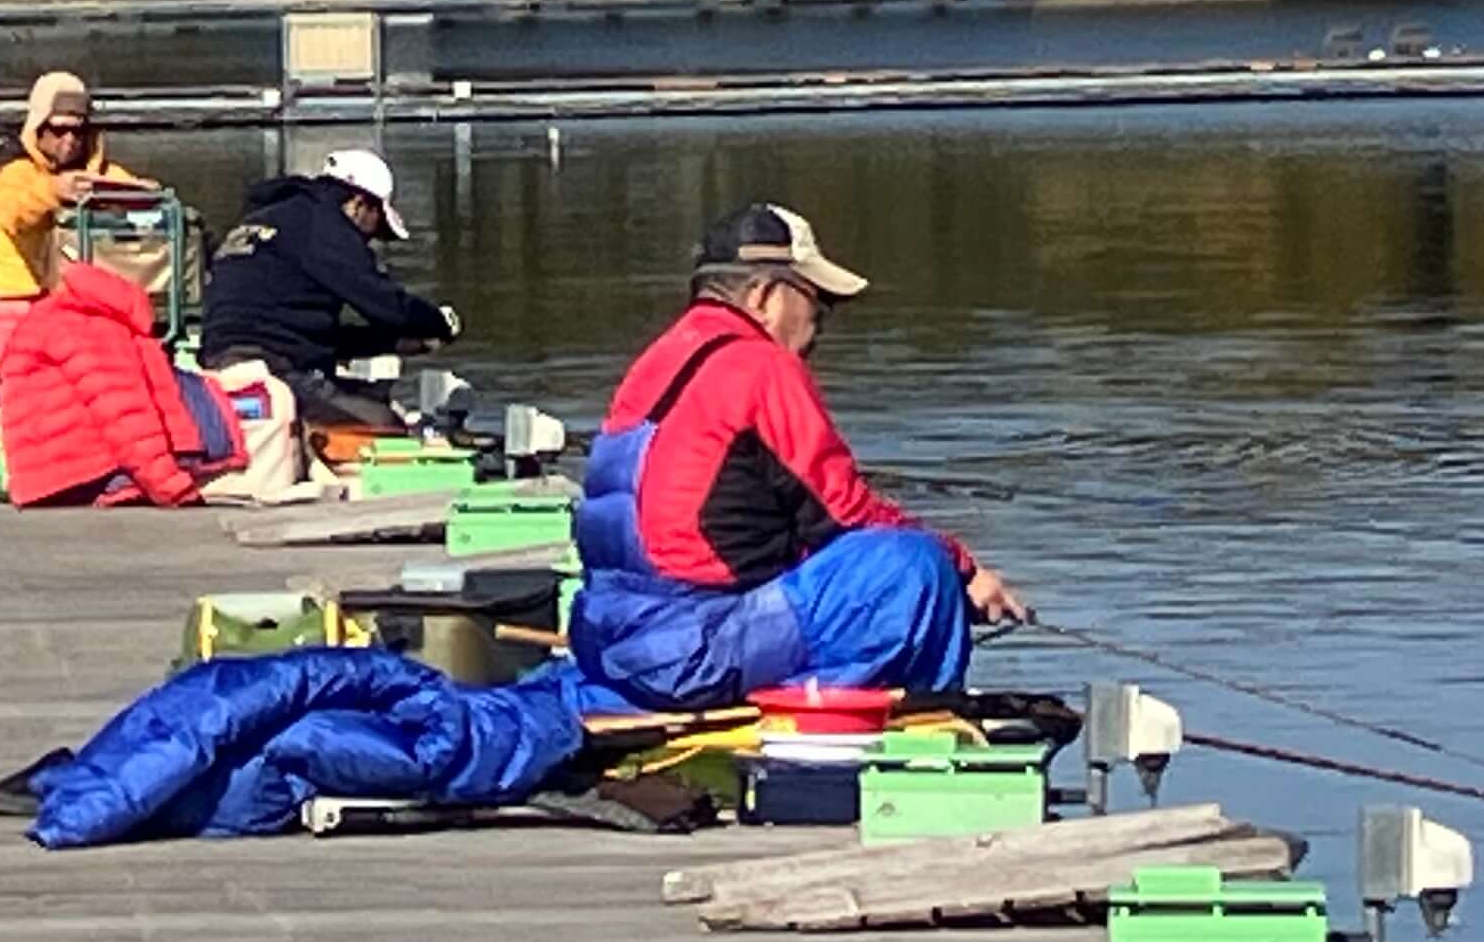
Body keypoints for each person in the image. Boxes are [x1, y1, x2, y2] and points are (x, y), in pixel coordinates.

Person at [565, 203, 1027, 710]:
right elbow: (848, 517)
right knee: (913, 565)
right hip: (687, 650)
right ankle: (926, 727)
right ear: (764, 294)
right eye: (817, 302)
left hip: (608, 639)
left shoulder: (657, 362)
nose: (821, 324)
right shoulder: (760, 366)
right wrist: (964, 570)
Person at [197, 147, 455, 426]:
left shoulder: (269, 220)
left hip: (221, 361)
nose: (369, 242)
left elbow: (314, 334)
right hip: (271, 369)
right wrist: (437, 323)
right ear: (359, 204)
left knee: (364, 398)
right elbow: (388, 306)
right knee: (384, 422)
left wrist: (396, 343)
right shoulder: (325, 227)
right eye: (376, 227)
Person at [0, 71, 137, 300]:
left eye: (79, 131)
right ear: (39, 127)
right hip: (23, 296)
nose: (70, 139)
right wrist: (53, 191)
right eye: (59, 130)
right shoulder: (12, 168)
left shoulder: (97, 171)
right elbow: (11, 214)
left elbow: (136, 188)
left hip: (86, 296)